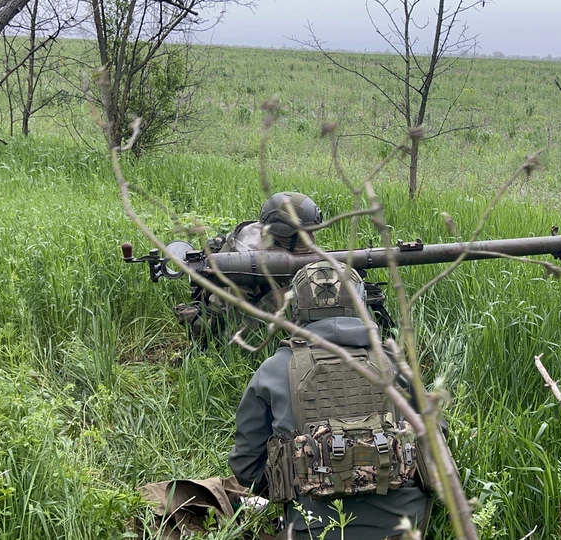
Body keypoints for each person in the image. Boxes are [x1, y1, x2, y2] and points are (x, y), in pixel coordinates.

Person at [228, 261, 432, 540]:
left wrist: (295, 479)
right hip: (407, 526)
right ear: (361, 303)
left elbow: (246, 467)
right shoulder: (392, 363)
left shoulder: (275, 369)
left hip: (311, 529)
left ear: (297, 308)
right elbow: (436, 436)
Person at [173, 192, 325, 337]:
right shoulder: (239, 267)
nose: (312, 239)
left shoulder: (287, 247)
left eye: (313, 232)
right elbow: (234, 335)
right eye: (306, 234)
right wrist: (275, 301)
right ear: (283, 234)